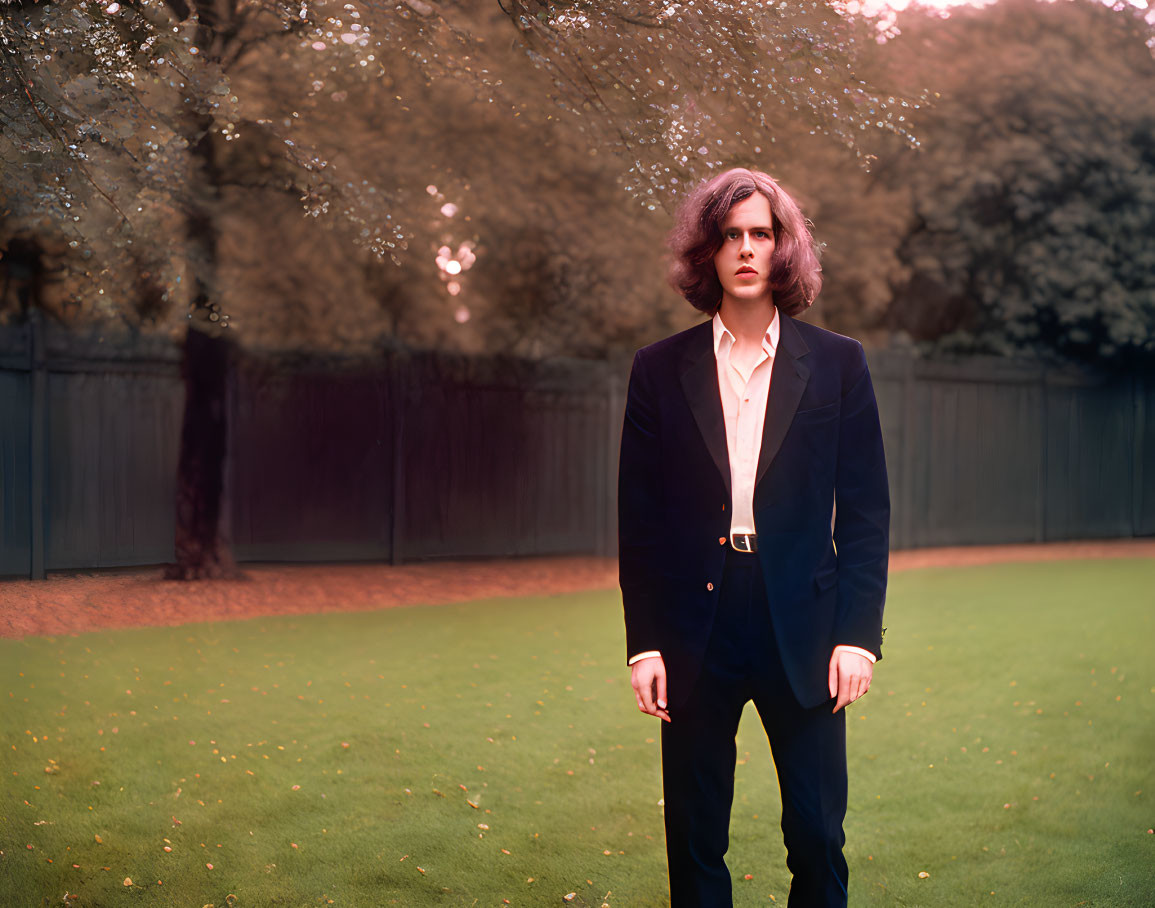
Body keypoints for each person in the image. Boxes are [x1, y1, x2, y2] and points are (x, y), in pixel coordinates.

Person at [618, 167, 889, 907]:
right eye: (729, 235)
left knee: (816, 835)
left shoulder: (838, 364)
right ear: (707, 252)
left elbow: (865, 513)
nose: (745, 249)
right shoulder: (657, 370)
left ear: (782, 249)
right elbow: (636, 524)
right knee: (696, 839)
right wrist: (643, 643)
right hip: (692, 627)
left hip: (803, 623)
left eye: (760, 234)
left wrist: (857, 638)